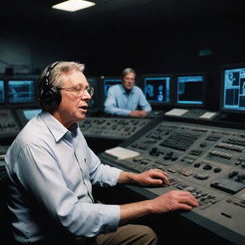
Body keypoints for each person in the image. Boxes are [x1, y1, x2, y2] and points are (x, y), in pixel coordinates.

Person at [5, 61, 199, 245]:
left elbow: (96, 170)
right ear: (52, 96)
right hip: (57, 238)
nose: (88, 96)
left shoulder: (71, 128)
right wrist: (152, 205)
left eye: (87, 89)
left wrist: (135, 177)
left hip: (78, 221)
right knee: (145, 236)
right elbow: (71, 218)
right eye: (77, 89)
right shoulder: (34, 145)